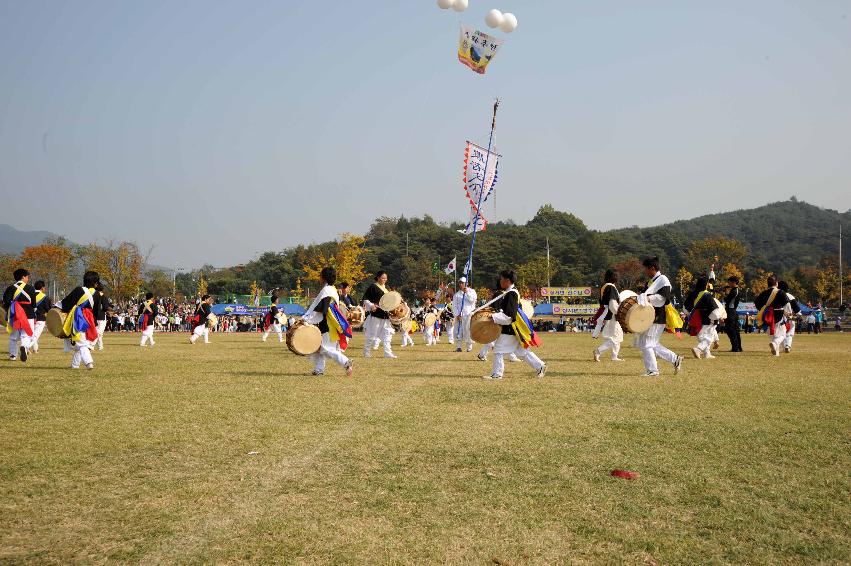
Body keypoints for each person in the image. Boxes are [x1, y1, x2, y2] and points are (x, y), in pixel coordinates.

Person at [484, 269, 546, 380]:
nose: (500, 281)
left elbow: (509, 316)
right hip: (514, 327)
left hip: (510, 328)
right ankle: (540, 366)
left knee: (498, 349)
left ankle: (497, 374)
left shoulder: (511, 294)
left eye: (502, 279)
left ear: (507, 280)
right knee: (521, 352)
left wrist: (492, 317)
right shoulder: (511, 292)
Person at [636, 257, 684, 377]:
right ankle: (675, 359)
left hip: (657, 317)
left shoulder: (663, 280)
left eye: (646, 269)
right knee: (651, 343)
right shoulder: (652, 281)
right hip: (651, 317)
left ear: (652, 268)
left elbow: (663, 299)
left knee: (647, 343)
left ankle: (653, 371)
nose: (645, 272)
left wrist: (648, 298)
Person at [303, 267, 354, 377]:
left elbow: (323, 309)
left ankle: (346, 362)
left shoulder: (327, 290)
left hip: (327, 325)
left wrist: (307, 318)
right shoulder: (331, 289)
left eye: (320, 275)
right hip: (325, 323)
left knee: (326, 349)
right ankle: (319, 370)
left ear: (323, 277)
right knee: (319, 347)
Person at [59, 271, 101, 370]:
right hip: (89, 319)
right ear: (95, 283)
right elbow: (96, 310)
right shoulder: (97, 294)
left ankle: (88, 362)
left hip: (78, 317)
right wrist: (94, 322)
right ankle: (75, 365)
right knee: (80, 342)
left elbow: (67, 303)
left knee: (81, 343)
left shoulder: (79, 290)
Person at [3, 268, 37, 362]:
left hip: (14, 315)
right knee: (26, 335)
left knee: (13, 336)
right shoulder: (30, 288)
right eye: (27, 277)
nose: (28, 279)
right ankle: (24, 346)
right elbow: (34, 304)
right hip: (28, 314)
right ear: (23, 277)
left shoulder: (10, 288)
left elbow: (6, 302)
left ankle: (13, 355)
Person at [361, 271, 396, 358]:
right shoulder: (373, 287)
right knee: (372, 334)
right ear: (378, 277)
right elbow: (365, 298)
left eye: (385, 278)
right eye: (383, 278)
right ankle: (366, 352)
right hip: (376, 314)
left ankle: (387, 353)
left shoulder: (386, 288)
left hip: (385, 315)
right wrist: (371, 305)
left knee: (387, 334)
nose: (384, 280)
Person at [592, 269, 624, 362]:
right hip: (611, 315)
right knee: (614, 337)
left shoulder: (605, 286)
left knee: (616, 336)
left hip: (608, 314)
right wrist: (619, 313)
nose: (617, 277)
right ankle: (598, 351)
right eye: (616, 275)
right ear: (611, 277)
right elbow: (612, 303)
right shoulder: (610, 287)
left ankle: (614, 356)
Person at [754, 276, 790, 356]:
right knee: (783, 334)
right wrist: (788, 313)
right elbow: (787, 304)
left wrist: (763, 309)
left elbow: (757, 303)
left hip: (766, 315)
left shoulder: (763, 293)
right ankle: (775, 343)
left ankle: (776, 353)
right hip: (778, 314)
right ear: (776, 283)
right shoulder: (781, 292)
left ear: (768, 284)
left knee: (772, 334)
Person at [685, 276, 717, 360]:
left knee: (702, 336)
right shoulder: (707, 294)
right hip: (708, 317)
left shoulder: (693, 294)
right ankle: (698, 349)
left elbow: (685, 307)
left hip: (696, 318)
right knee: (709, 337)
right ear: (706, 284)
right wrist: (716, 318)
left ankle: (707, 354)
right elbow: (714, 308)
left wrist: (690, 315)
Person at [452, 277, 477, 353]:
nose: (461, 284)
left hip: (469, 315)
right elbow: (454, 306)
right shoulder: (457, 295)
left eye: (462, 283)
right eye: (460, 283)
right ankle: (458, 347)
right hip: (460, 316)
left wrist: (467, 293)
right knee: (458, 331)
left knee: (468, 331)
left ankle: (469, 347)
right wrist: (457, 315)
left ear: (466, 283)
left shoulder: (472, 291)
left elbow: (473, 300)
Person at [778, 281, 801, 353]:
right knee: (789, 334)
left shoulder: (776, 296)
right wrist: (798, 315)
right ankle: (787, 346)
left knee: (781, 334)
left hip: (779, 318)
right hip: (790, 318)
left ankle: (784, 346)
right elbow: (797, 309)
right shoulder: (791, 296)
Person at [30, 280, 50, 354]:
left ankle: (35, 349)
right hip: (41, 318)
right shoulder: (44, 297)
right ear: (42, 288)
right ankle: (26, 346)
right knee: (35, 335)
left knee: (33, 334)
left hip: (31, 318)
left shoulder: (30, 295)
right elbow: (48, 309)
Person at [724, 276, 742, 352]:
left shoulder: (735, 291)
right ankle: (738, 347)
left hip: (731, 311)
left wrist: (724, 294)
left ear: (734, 282)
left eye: (729, 282)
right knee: (735, 330)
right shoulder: (735, 290)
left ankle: (735, 347)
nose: (728, 284)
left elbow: (727, 300)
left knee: (730, 330)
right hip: (733, 312)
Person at [94, 282, 110, 351]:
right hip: (101, 316)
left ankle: (99, 346)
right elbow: (106, 307)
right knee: (99, 333)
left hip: (93, 316)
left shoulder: (93, 296)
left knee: (96, 331)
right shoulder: (103, 297)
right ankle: (94, 345)